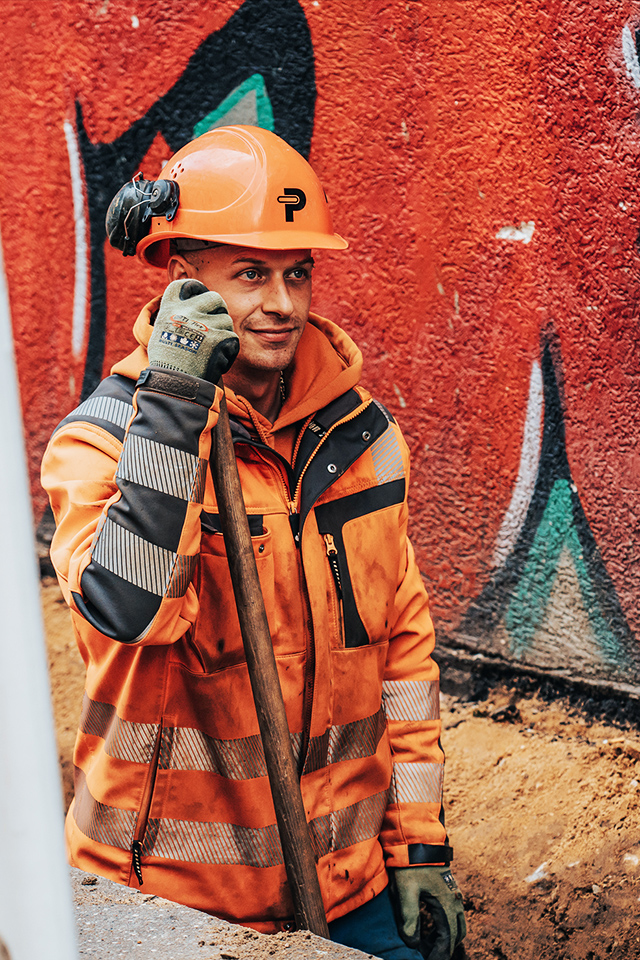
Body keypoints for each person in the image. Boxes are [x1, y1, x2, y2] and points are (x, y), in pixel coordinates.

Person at [41, 125, 466, 960]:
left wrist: (417, 846)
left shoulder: (362, 439)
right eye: (250, 275)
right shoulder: (103, 441)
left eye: (296, 273)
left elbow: (402, 660)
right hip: (163, 900)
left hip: (348, 890)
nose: (282, 303)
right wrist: (172, 401)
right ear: (182, 282)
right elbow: (128, 610)